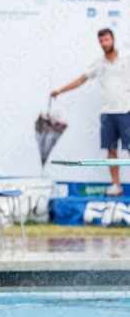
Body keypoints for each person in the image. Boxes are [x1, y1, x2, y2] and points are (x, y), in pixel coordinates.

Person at [51, 28, 130, 196]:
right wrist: (59, 90)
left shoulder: (127, 56)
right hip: (108, 113)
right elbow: (81, 80)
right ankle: (116, 186)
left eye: (106, 40)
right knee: (111, 150)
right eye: (101, 41)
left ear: (113, 39)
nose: (104, 43)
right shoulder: (99, 63)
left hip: (126, 111)